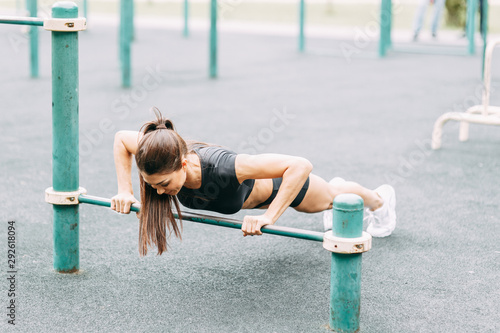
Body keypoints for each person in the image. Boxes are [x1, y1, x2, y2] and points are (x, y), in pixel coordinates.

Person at [110, 109, 397, 256]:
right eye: (153, 185)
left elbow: (299, 165)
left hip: (278, 189)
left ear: (183, 163)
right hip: (260, 193)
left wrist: (268, 216)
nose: (159, 191)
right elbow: (122, 139)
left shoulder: (224, 167)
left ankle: (381, 201)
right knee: (331, 195)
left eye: (163, 184)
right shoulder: (159, 152)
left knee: (332, 197)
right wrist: (125, 191)